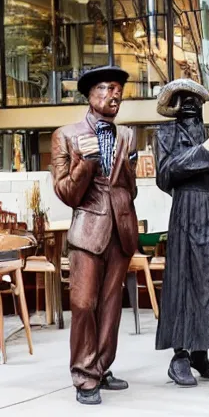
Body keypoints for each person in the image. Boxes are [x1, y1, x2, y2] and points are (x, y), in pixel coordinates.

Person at [51, 66, 139, 405]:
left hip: (121, 228)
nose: (114, 95)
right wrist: (85, 163)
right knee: (83, 303)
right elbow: (67, 194)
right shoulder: (67, 135)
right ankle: (84, 375)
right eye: (106, 88)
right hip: (88, 230)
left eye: (118, 89)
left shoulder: (127, 136)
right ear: (89, 95)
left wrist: (129, 167)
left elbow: (129, 188)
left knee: (111, 305)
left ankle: (102, 366)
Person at [154, 79, 209, 387]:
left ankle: (201, 350)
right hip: (189, 212)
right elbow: (167, 174)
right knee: (185, 281)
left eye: (195, 97)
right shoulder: (166, 133)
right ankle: (179, 355)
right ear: (174, 104)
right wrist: (207, 147)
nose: (191, 102)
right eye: (183, 97)